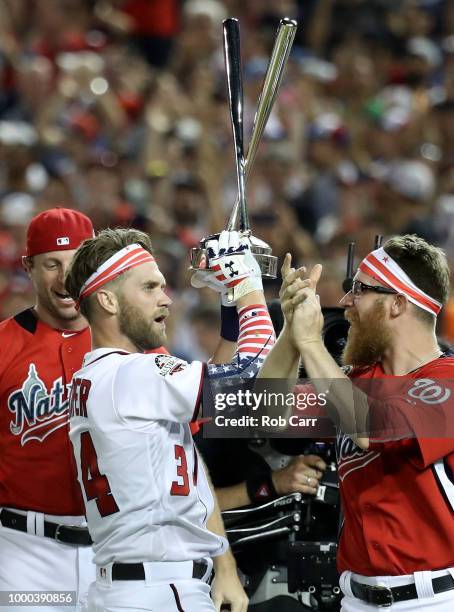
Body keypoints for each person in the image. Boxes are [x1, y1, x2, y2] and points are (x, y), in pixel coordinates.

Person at [64, 227, 288, 611]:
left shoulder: (102, 376)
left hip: (129, 587)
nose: (166, 299)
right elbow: (251, 376)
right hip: (159, 589)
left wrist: (228, 301)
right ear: (107, 301)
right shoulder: (132, 375)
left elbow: (220, 381)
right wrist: (248, 284)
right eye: (149, 288)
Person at [271, 235, 454, 611]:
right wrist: (292, 331)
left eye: (359, 289)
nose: (345, 302)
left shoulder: (447, 380)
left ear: (398, 303)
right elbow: (262, 414)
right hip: (354, 599)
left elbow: (369, 428)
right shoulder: (352, 382)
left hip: (434, 598)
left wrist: (311, 343)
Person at [0, 207, 96, 611]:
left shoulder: (131, 343)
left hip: (112, 553)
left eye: (75, 263)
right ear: (29, 267)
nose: (64, 277)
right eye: (51, 264)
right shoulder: (4, 345)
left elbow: (203, 411)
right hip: (25, 552)